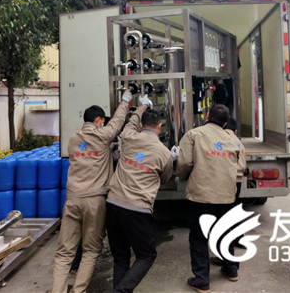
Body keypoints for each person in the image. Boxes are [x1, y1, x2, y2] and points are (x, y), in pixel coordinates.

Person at [50, 91, 131, 293]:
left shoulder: (73, 139)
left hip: (72, 200)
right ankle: (79, 291)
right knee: (91, 249)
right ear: (98, 120)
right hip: (94, 201)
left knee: (64, 252)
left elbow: (88, 154)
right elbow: (117, 122)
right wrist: (125, 100)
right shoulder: (102, 136)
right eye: (102, 122)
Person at [106, 95, 174, 293]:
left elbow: (131, 122)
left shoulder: (128, 136)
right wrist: (171, 159)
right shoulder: (163, 153)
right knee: (146, 255)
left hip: (113, 204)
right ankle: (121, 291)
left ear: (141, 125)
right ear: (159, 127)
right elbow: (166, 178)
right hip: (138, 210)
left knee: (121, 257)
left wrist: (142, 106)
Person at [177, 104, 241, 293]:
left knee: (198, 237)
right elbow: (240, 166)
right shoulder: (233, 138)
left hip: (201, 196)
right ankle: (231, 269)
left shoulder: (193, 134)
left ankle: (202, 280)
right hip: (227, 196)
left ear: (206, 116)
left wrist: (183, 177)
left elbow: (184, 163)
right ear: (226, 123)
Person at [210, 116, 247, 267]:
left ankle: (226, 258)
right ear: (235, 130)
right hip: (237, 182)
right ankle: (239, 238)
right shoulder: (238, 142)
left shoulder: (222, 141)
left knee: (222, 220)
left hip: (225, 182)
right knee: (233, 212)